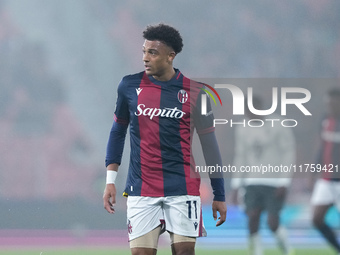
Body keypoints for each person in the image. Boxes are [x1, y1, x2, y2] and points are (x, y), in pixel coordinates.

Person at [103, 23, 227, 255]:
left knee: (184, 253)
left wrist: (219, 194)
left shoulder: (196, 93)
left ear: (171, 56)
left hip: (182, 188)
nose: (145, 58)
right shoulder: (129, 86)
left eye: (152, 52)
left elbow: (209, 146)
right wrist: (111, 179)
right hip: (141, 188)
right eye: (144, 51)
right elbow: (117, 132)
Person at [231, 96, 295, 255]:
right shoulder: (243, 128)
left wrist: (284, 181)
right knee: (252, 217)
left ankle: (287, 248)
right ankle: (257, 252)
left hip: (274, 181)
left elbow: (288, 152)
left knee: (272, 222)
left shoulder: (278, 124)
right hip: (252, 180)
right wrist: (236, 185)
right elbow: (240, 157)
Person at [311, 87, 340, 255]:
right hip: (326, 179)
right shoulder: (325, 120)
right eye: (327, 103)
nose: (329, 106)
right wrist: (313, 170)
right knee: (316, 219)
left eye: (333, 102)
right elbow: (321, 147)